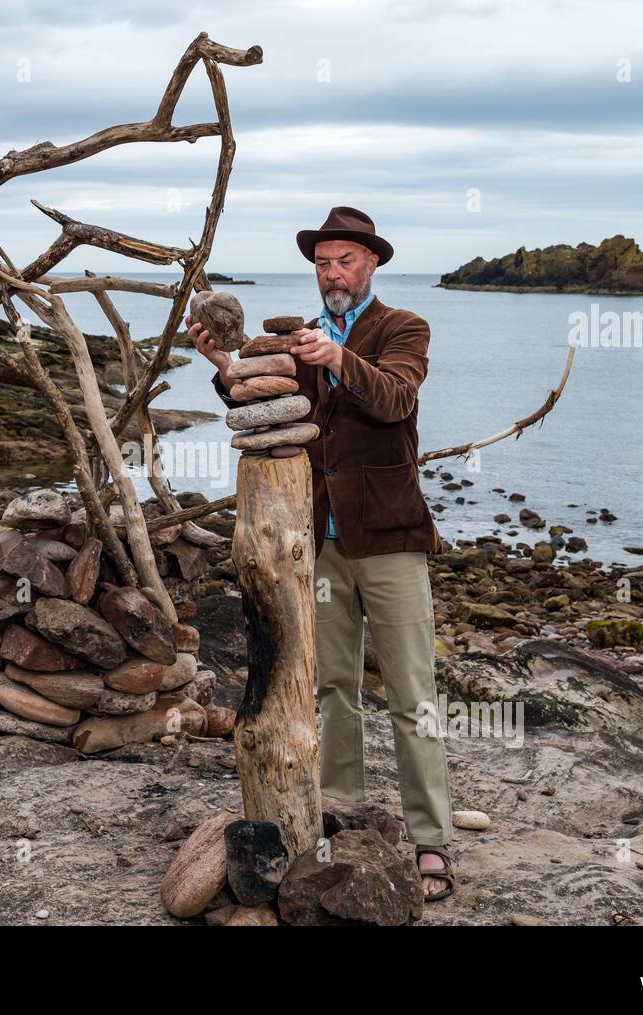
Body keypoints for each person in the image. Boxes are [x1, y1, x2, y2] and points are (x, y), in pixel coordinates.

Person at [186, 206, 456, 902]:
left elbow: (396, 398)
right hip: (320, 543)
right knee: (332, 686)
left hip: (391, 537)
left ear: (371, 264)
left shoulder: (403, 329)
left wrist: (338, 356)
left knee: (412, 693)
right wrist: (224, 364)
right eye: (322, 262)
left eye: (343, 261)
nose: (330, 273)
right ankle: (341, 815)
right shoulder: (298, 339)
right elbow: (273, 408)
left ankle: (432, 842)